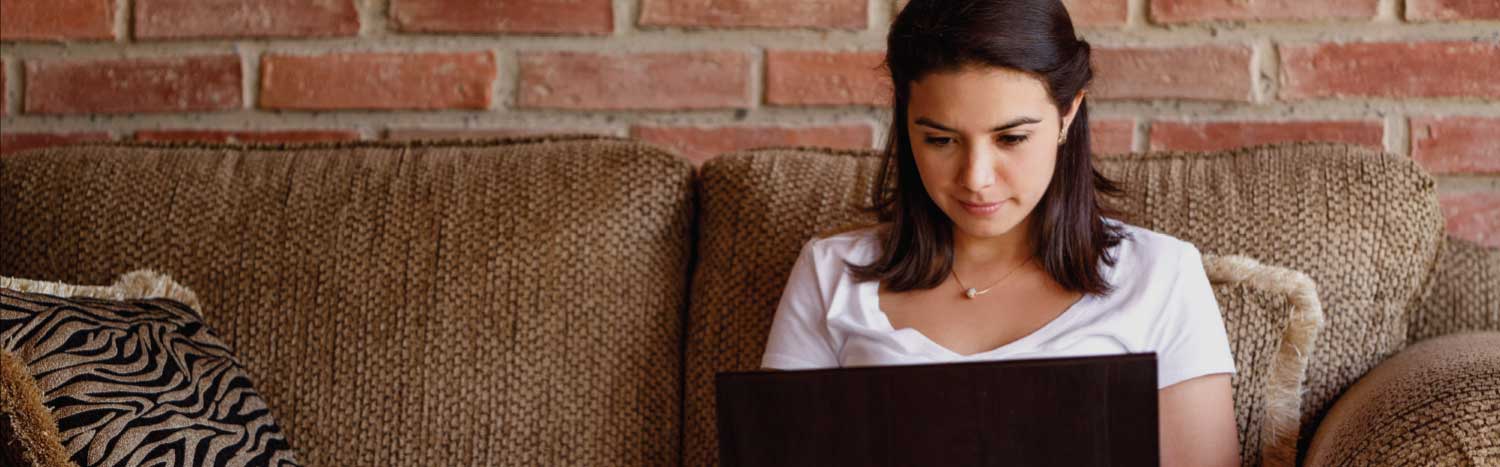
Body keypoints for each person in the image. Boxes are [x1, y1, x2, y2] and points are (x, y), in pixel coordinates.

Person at [758, 0, 1240, 465]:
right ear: (906, 125)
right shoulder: (830, 273)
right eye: (941, 140)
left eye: (1010, 138)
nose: (975, 177)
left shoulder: (1162, 275)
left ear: (1067, 115)